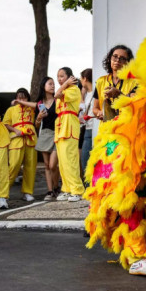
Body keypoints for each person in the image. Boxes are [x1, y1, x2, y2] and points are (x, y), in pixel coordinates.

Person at [20, 77, 60, 201]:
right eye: (50, 84)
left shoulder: (58, 100)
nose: (53, 86)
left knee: (53, 164)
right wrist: (38, 117)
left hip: (57, 133)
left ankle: (56, 186)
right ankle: (50, 191)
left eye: (54, 84)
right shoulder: (39, 104)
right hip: (44, 134)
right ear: (44, 86)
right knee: (47, 165)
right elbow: (36, 125)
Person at [53, 67, 84, 202]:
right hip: (60, 126)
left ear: (70, 77)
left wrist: (65, 84)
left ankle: (77, 189)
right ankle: (67, 189)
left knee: (70, 159)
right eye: (58, 77)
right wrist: (64, 85)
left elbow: (56, 95)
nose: (59, 79)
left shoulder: (73, 90)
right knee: (62, 161)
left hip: (69, 125)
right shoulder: (64, 90)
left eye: (62, 76)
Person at [3, 88, 37, 202]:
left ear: (27, 98)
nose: (21, 99)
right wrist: (15, 130)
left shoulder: (32, 108)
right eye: (19, 97)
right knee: (13, 165)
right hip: (16, 139)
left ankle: (27, 192)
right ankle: (3, 192)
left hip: (30, 139)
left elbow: (37, 107)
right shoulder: (11, 110)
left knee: (30, 166)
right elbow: (5, 124)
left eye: (24, 97)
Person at [93, 45, 136, 121]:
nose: (117, 60)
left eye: (122, 58)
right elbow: (95, 108)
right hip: (106, 130)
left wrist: (118, 94)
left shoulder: (135, 82)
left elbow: (135, 104)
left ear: (128, 63)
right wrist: (99, 113)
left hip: (127, 128)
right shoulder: (100, 81)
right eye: (115, 56)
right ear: (110, 59)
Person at [78, 69, 95, 176]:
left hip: (95, 129)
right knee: (84, 162)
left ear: (85, 79)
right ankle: (88, 189)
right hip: (87, 130)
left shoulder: (96, 92)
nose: (80, 81)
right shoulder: (86, 94)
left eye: (81, 79)